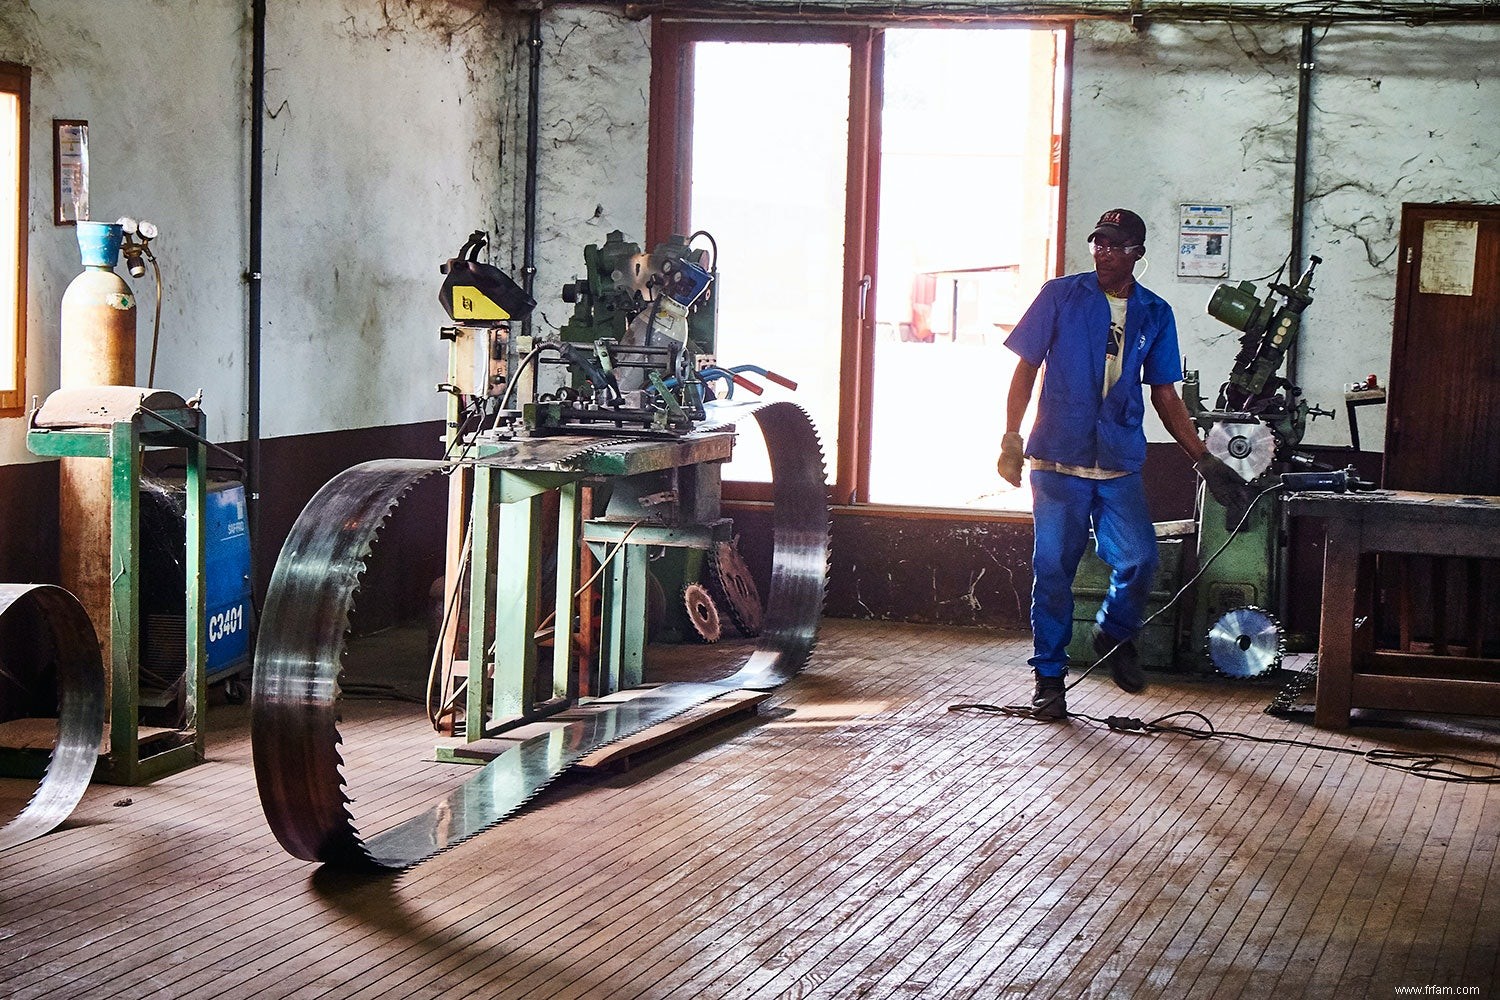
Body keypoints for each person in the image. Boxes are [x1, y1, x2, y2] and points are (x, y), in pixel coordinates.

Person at [997, 208, 1250, 720]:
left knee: (1140, 558)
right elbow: (1026, 369)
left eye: (1115, 244)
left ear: (1137, 252)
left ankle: (1114, 630)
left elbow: (1164, 394)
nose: (1103, 251)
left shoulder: (1155, 314)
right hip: (1056, 459)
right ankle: (1048, 679)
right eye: (1098, 242)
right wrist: (1009, 437)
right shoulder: (1060, 296)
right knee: (1052, 572)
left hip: (1117, 461)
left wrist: (1204, 460)